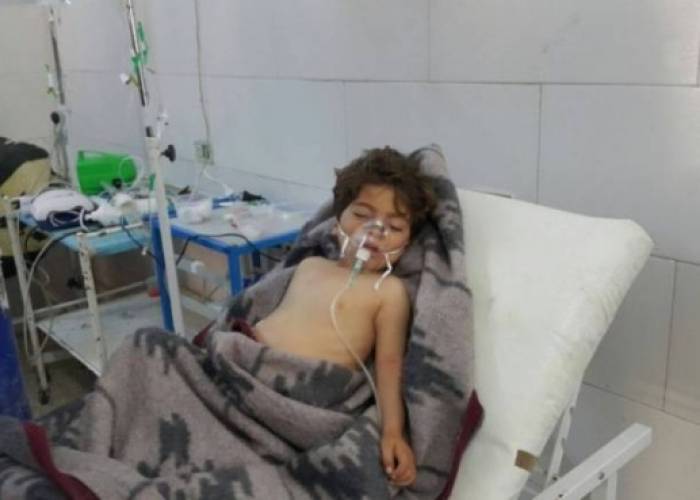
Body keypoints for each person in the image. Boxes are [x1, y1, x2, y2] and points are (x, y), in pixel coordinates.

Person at [254, 146, 436, 488]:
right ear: (337, 222)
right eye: (363, 214)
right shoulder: (310, 266)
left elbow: (390, 364)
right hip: (248, 370)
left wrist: (393, 432)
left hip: (299, 396)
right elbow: (259, 311)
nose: (376, 230)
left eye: (394, 226)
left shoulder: (388, 292)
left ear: (407, 244)